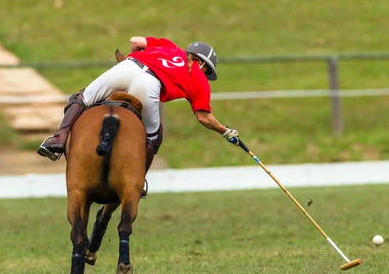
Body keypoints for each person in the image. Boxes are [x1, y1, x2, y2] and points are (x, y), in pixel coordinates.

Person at [37, 36, 241, 172]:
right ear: (203, 63)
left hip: (128, 66)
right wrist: (225, 131)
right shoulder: (199, 78)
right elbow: (203, 116)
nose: (206, 74)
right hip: (149, 84)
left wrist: (134, 56)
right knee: (154, 135)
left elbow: (135, 41)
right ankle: (137, 178)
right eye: (208, 70)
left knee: (81, 98)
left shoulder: (168, 45)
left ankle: (58, 139)